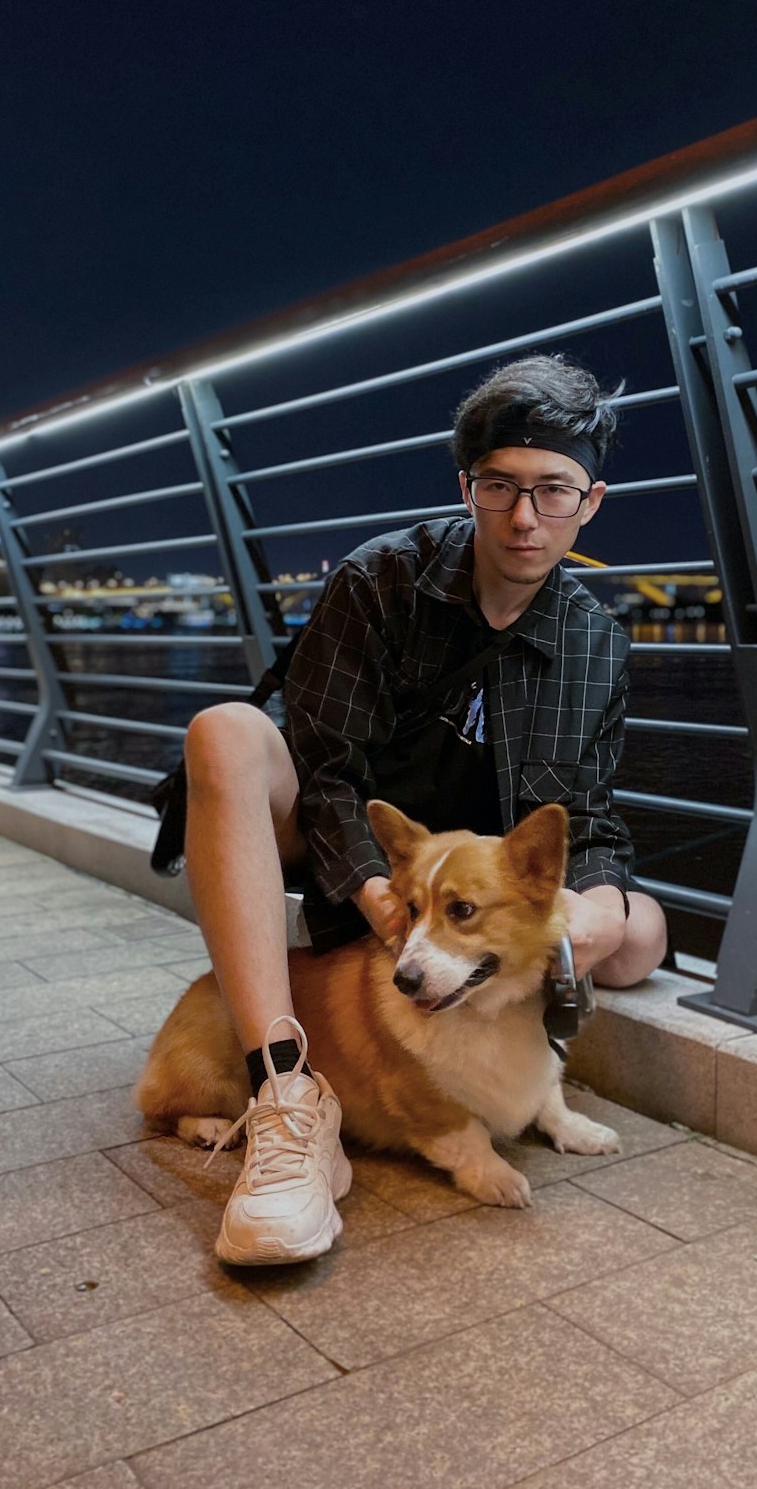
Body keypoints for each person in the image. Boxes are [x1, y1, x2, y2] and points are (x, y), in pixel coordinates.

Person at [183, 354, 668, 1264]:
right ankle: (283, 1090)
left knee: (642, 937)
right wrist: (380, 901)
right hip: (367, 853)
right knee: (225, 732)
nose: (526, 517)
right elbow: (326, 771)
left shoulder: (596, 642)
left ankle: (521, 1062)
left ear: (590, 501)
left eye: (553, 491)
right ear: (467, 488)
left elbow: (590, 817)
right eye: (501, 487)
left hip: (472, 881)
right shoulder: (380, 580)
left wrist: (595, 911)